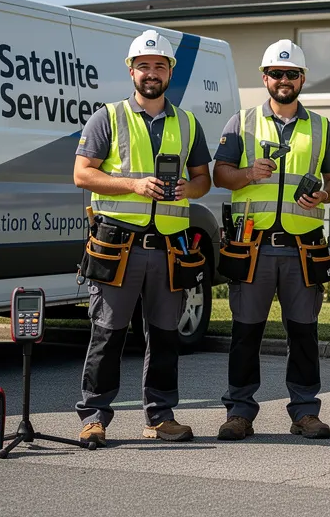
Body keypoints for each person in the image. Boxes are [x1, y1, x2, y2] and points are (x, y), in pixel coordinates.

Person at [74, 29, 212, 445]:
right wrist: (133, 186)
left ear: (170, 71)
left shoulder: (187, 122)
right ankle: (94, 416)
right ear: (131, 71)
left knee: (165, 335)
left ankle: (160, 416)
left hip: (169, 248)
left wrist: (191, 188)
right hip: (118, 245)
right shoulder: (108, 117)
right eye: (143, 66)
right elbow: (83, 173)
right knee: (108, 332)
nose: (151, 73)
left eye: (159, 66)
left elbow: (203, 178)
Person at [213, 39, 330, 441]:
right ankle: (239, 412)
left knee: (303, 334)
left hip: (302, 246)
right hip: (252, 246)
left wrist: (324, 194)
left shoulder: (321, 126)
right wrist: (249, 174)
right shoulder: (242, 121)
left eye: (291, 74)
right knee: (245, 332)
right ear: (265, 77)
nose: (283, 80)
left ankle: (305, 412)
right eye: (276, 73)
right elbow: (220, 175)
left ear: (302, 78)